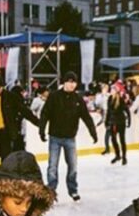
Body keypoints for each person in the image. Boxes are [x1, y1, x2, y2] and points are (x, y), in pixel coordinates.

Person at [38, 72, 98, 201]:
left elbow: (86, 117)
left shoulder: (78, 99)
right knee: (52, 166)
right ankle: (51, 191)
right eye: (69, 82)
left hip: (70, 138)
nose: (72, 84)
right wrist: (41, 130)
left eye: (74, 82)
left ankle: (73, 190)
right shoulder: (54, 97)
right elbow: (45, 114)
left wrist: (93, 132)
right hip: (55, 137)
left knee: (73, 166)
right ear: (64, 82)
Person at [106, 82, 131, 165]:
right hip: (113, 122)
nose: (111, 91)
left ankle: (124, 157)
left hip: (121, 122)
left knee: (122, 140)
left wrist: (129, 120)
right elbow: (108, 111)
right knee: (113, 139)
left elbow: (127, 110)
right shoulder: (109, 99)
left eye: (113, 89)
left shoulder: (120, 99)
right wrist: (107, 121)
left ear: (116, 91)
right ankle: (117, 155)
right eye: (111, 89)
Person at [94, 83, 112, 155]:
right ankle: (107, 148)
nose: (104, 89)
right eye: (103, 88)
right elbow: (97, 104)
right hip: (105, 113)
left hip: (109, 114)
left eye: (105, 88)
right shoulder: (99, 96)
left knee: (109, 133)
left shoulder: (109, 96)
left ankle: (108, 149)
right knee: (108, 133)